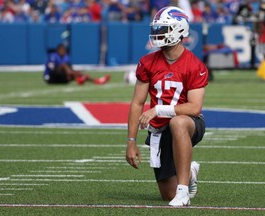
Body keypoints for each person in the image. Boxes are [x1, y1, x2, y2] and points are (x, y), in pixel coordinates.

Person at [126, 6, 208, 207]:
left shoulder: (195, 65)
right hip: (159, 129)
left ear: (178, 30)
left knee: (178, 123)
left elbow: (194, 108)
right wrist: (131, 140)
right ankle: (189, 172)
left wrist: (158, 110)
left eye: (163, 29)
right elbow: (137, 102)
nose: (157, 34)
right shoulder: (147, 62)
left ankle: (183, 193)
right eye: (157, 29)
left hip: (189, 123)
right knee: (166, 193)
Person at [43, 44, 110, 85]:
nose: (64, 51)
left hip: (59, 78)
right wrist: (70, 72)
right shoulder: (53, 56)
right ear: (58, 50)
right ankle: (85, 79)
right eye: (62, 50)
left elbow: (68, 68)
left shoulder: (65, 57)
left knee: (72, 73)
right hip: (50, 77)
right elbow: (52, 69)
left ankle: (95, 80)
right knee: (66, 67)